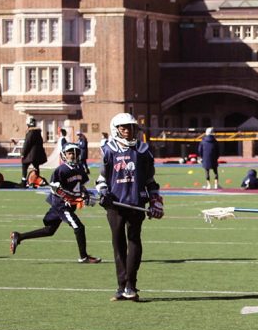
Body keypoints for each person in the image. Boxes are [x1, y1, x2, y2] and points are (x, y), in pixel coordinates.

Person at [96, 111, 162, 301]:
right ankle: (121, 285)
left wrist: (155, 199)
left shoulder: (143, 150)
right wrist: (104, 193)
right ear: (116, 129)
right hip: (115, 204)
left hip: (136, 202)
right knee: (118, 243)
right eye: (124, 128)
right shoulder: (108, 149)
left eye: (132, 127)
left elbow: (150, 179)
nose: (128, 131)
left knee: (134, 240)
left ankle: (131, 285)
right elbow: (101, 179)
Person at [11, 142, 101, 264]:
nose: (73, 155)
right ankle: (83, 257)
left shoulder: (80, 169)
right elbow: (55, 190)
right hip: (62, 205)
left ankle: (19, 236)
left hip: (70, 203)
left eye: (76, 153)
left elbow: (80, 187)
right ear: (64, 155)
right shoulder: (61, 170)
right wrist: (72, 197)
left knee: (49, 230)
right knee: (79, 227)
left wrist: (85, 195)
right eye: (70, 153)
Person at [20, 117, 46, 186]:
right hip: (37, 154)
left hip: (31, 155)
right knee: (36, 167)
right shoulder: (38, 132)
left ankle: (23, 180)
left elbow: (27, 144)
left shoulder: (30, 133)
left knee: (24, 165)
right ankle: (37, 179)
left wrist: (23, 153)